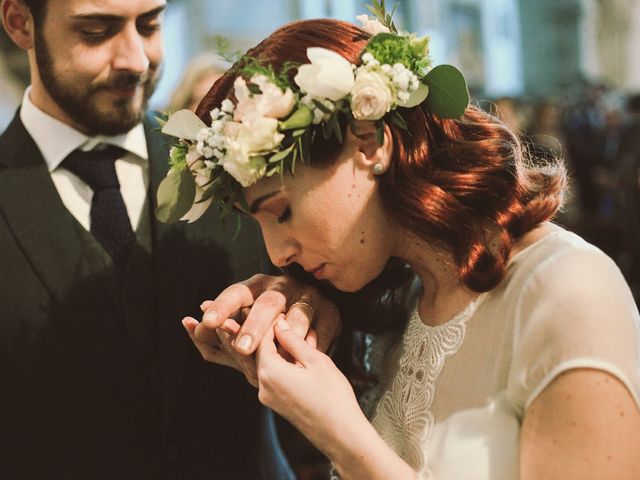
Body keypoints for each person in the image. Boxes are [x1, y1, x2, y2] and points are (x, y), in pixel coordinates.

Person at [168, 12, 640, 480]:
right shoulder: (398, 301)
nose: (276, 254)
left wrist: (341, 435)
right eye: (258, 224)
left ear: (371, 143)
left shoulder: (566, 290)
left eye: (282, 211)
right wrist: (310, 314)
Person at [0, 1, 339, 478]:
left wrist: (306, 301)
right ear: (20, 23)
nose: (135, 59)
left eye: (150, 24)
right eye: (96, 31)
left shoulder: (233, 163)